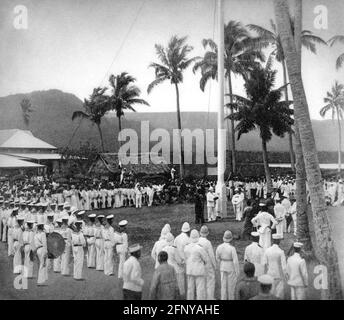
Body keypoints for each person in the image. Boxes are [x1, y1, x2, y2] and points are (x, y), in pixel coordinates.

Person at [184, 229, 208, 300]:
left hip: (190, 270)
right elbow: (206, 259)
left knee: (190, 289)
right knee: (200, 289)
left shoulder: (186, 247)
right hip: (199, 270)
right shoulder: (200, 248)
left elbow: (186, 258)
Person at [216, 230, 240, 300]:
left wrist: (219, 265)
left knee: (223, 286)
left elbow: (217, 258)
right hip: (230, 267)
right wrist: (237, 272)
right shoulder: (232, 248)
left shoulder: (219, 247)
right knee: (231, 286)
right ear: (231, 238)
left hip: (223, 266)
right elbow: (235, 261)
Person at [262, 234, 287, 299]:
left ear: (273, 240)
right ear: (279, 241)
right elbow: (284, 267)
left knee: (270, 293)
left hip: (269, 274)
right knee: (279, 294)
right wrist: (286, 276)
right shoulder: (281, 252)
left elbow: (264, 264)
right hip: (279, 275)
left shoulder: (267, 250)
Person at [198, 225, 216, 300]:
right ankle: (210, 298)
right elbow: (211, 255)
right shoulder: (207, 242)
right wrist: (215, 265)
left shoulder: (197, 240)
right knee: (210, 281)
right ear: (207, 233)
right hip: (207, 264)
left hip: (199, 264)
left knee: (201, 281)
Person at [173, 222, 191, 298]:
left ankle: (181, 294)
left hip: (178, 261)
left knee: (180, 281)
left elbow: (174, 250)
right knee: (188, 280)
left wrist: (178, 260)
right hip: (186, 261)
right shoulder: (188, 239)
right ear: (188, 231)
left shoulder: (176, 238)